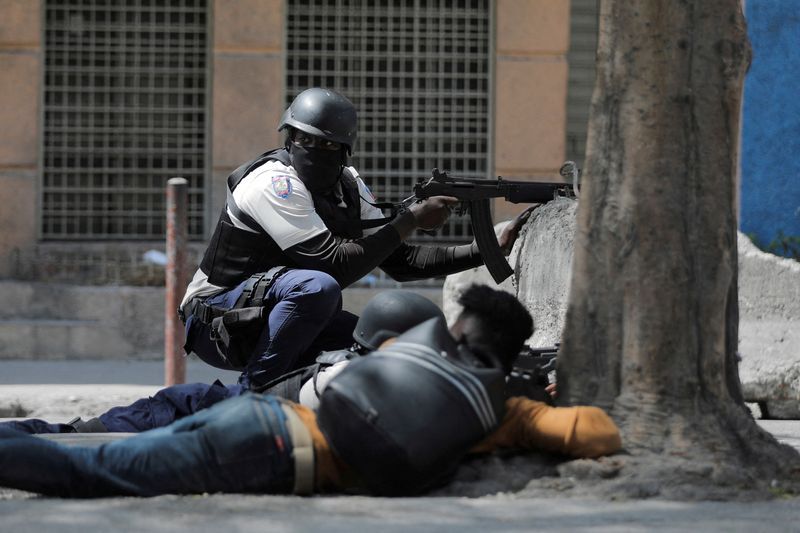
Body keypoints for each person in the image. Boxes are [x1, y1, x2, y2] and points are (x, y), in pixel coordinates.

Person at [0, 285, 621, 498]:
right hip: (272, 450)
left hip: (260, 413)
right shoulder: (508, 409)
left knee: (98, 456)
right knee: (94, 470)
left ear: (457, 329)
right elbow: (598, 433)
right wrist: (543, 395)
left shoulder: (401, 346)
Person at [180, 87, 533, 389]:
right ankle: (252, 394)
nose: (310, 147)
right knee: (317, 287)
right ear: (288, 136)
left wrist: (487, 249)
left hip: (280, 314)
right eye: (302, 138)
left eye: (325, 144)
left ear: (344, 149)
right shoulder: (273, 183)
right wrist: (411, 219)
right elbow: (331, 267)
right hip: (219, 321)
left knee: (383, 346)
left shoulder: (348, 185)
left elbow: (401, 262)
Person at [1, 291, 446, 434]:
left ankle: (48, 434)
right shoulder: (425, 398)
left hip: (240, 413)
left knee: (134, 420)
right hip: (257, 412)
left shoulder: (356, 377)